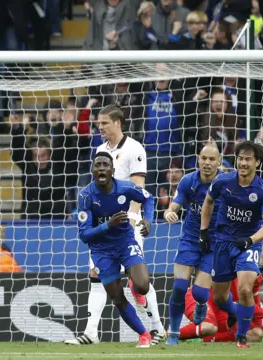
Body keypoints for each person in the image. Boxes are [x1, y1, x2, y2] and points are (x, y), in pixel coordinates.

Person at [65, 105, 166, 346]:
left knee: (140, 283)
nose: (100, 127)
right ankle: (91, 331)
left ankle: (158, 328)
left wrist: (133, 221)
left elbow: (138, 188)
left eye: (104, 123)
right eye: (98, 123)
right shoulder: (100, 151)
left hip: (127, 225)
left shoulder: (134, 149)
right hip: (106, 228)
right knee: (96, 274)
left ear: (117, 123)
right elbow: (96, 193)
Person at [199, 141, 263, 348]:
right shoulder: (222, 182)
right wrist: (204, 231)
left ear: (257, 163)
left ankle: (241, 337)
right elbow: (208, 202)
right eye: (240, 158)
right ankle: (235, 312)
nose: (243, 163)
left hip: (248, 245)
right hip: (223, 243)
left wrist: (250, 241)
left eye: (248, 159)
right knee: (219, 297)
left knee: (244, 290)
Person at [75, 152, 155, 348]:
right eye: (98, 165)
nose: (101, 168)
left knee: (143, 285)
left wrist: (148, 219)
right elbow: (84, 236)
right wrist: (107, 225)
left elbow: (148, 198)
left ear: (112, 170)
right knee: (117, 297)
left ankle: (135, 285)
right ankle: (144, 335)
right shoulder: (86, 196)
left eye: (105, 165)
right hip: (101, 251)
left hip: (124, 242)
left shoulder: (125, 188)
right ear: (93, 171)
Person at [163, 142, 222, 345]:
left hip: (213, 243)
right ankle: (173, 332)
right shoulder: (188, 181)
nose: (207, 163)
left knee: (199, 292)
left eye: (211, 159)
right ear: (198, 160)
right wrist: (170, 212)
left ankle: (201, 303)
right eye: (203, 158)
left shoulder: (225, 183)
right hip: (190, 239)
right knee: (179, 287)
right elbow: (174, 204)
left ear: (219, 162)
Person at [181, 244, 263, 343]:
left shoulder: (257, 277)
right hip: (200, 299)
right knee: (209, 327)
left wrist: (261, 331)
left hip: (221, 309)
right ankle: (171, 335)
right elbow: (242, 303)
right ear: (255, 254)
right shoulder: (239, 270)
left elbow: (255, 302)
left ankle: (199, 338)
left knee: (255, 334)